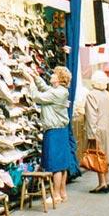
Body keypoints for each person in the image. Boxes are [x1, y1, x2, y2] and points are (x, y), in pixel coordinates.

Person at [32, 65, 72, 204]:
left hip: (54, 131)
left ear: (59, 79)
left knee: (55, 164)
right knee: (62, 163)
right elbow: (45, 88)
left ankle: (55, 195)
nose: (51, 75)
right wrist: (35, 76)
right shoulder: (60, 91)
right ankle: (62, 193)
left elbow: (37, 97)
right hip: (61, 130)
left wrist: (30, 83)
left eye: (54, 74)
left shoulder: (57, 93)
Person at [85, 70, 109, 193]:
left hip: (97, 129)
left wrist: (92, 133)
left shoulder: (92, 95)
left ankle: (102, 182)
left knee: (98, 156)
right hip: (108, 127)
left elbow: (92, 115)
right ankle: (107, 181)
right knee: (105, 156)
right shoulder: (106, 94)